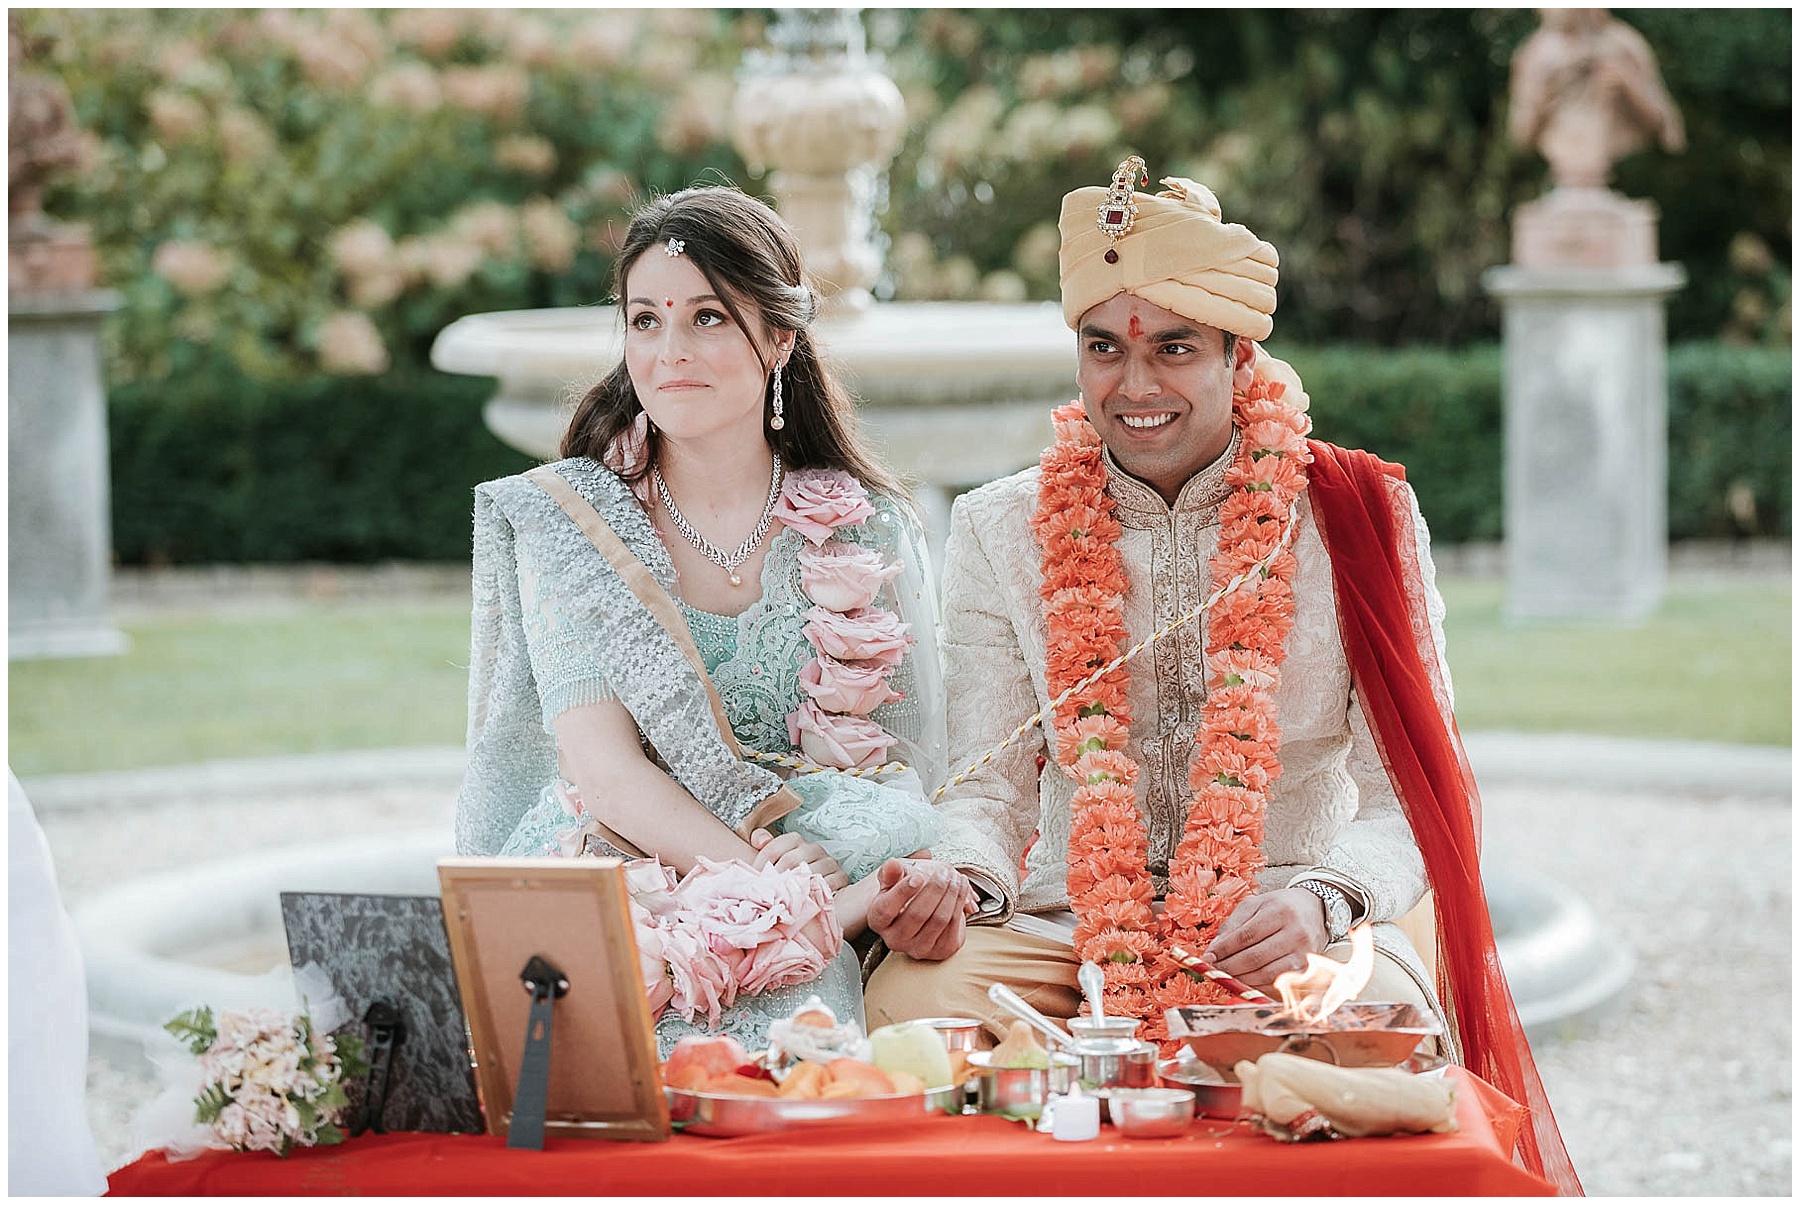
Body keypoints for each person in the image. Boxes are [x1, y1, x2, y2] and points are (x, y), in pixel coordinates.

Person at [863, 158, 1579, 1192]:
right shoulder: (998, 527)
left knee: (1371, 1031)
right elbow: (986, 789)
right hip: (1066, 925)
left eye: (1175, 348)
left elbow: (1416, 796)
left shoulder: (1357, 518)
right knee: (910, 1003)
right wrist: (960, 880)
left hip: (1290, 920)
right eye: (1104, 348)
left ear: (1240, 357)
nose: (1135, 385)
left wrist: (1326, 899)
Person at [454, 186, 948, 1055]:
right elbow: (606, 773)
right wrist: (776, 890)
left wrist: (854, 872)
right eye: (645, 320)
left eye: (707, 318)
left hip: (822, 856)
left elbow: (920, 761)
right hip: (631, 857)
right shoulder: (575, 526)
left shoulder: (868, 528)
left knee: (799, 1059)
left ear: (780, 339)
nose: (669, 351)